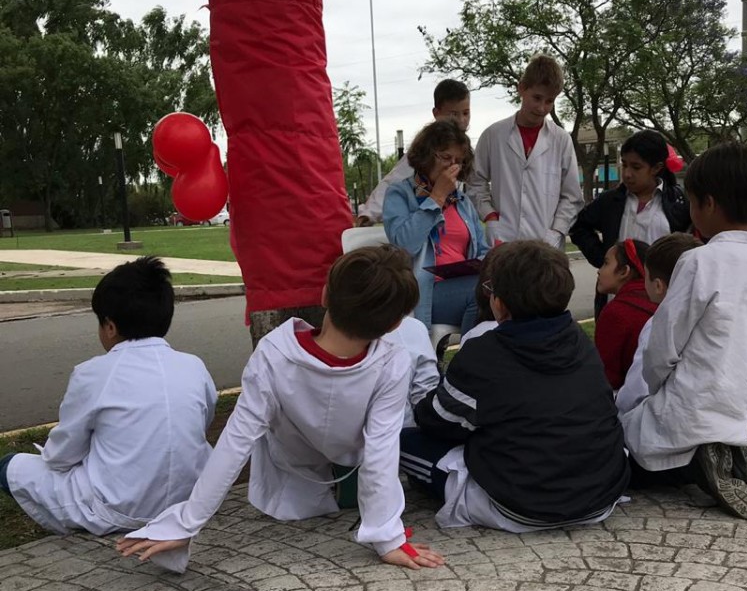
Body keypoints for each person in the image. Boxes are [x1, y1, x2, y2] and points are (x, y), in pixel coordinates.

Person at [116, 245, 444, 573]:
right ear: (393, 325)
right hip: (321, 473)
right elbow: (381, 451)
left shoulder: (274, 353)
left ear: (325, 294)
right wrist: (387, 537)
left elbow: (236, 441)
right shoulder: (392, 360)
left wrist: (187, 523)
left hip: (295, 476)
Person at [398, 240, 630, 533]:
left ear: (498, 302)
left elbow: (435, 421)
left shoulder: (484, 354)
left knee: (399, 442)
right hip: (601, 493)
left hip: (520, 504)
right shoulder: (580, 341)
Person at [619, 142, 747, 519]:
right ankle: (735, 450)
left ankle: (696, 465)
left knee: (626, 446)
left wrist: (656, 388)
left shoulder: (698, 260)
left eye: (692, 202)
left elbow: (665, 342)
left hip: (693, 404)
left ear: (707, 204)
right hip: (741, 406)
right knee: (685, 430)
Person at [0, 256, 216, 535]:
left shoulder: (94, 373)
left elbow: (60, 456)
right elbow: (202, 420)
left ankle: (72, 532)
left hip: (118, 510)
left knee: (9, 466)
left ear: (110, 327)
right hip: (189, 501)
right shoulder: (194, 365)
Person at [383, 119, 488, 335]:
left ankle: (476, 359)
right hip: (424, 292)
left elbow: (482, 250)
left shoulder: (462, 202)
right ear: (427, 155)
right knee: (481, 293)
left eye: (458, 160)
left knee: (506, 289)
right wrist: (437, 197)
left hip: (464, 285)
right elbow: (403, 245)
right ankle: (469, 362)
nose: (453, 166)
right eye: (446, 157)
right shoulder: (400, 194)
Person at [469, 55, 583, 248]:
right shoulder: (493, 135)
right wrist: (489, 215)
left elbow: (571, 196)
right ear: (521, 88)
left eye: (549, 101)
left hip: (547, 243)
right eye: (537, 98)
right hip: (503, 238)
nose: (541, 108)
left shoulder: (561, 140)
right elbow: (475, 182)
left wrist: (556, 231)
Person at [569, 130, 692, 270]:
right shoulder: (610, 201)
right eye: (625, 164)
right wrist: (604, 261)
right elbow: (579, 227)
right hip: (619, 291)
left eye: (636, 167)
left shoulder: (679, 203)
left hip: (664, 290)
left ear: (657, 168)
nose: (627, 174)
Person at [356, 80, 471, 225]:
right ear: (437, 113)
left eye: (466, 113)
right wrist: (368, 213)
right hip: (425, 225)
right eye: (453, 114)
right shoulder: (427, 148)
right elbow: (394, 180)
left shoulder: (465, 148)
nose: (461, 120)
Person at [617, 233, 701, 416]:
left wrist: (619, 405)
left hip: (667, 420)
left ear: (657, 286)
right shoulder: (710, 316)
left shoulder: (658, 324)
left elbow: (638, 390)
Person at [593, 239, 655, 391]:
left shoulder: (616, 313)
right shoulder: (659, 299)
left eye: (606, 263)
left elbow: (606, 376)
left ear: (624, 271)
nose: (599, 270)